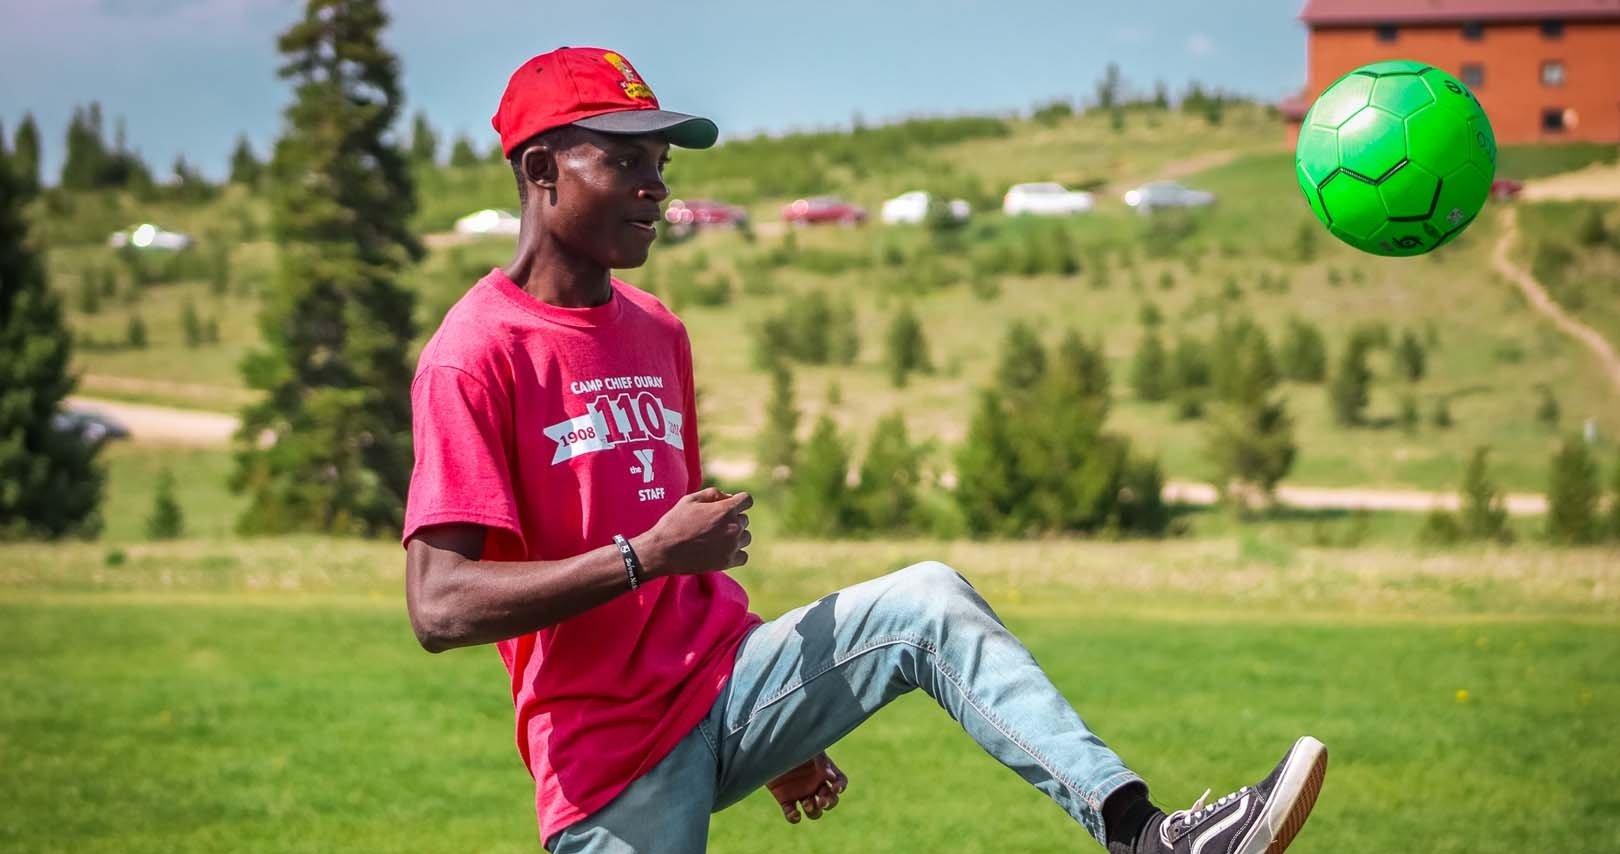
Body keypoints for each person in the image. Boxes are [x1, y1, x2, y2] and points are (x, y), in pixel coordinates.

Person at [402, 47, 1328, 854]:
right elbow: (440, 607)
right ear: (541, 169)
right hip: (607, 761)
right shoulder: (473, 354)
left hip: (721, 690)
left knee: (926, 601)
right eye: (624, 159)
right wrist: (646, 557)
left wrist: (778, 730)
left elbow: (691, 572)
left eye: (662, 161)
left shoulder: (656, 330)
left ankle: (1147, 834)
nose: (658, 185)